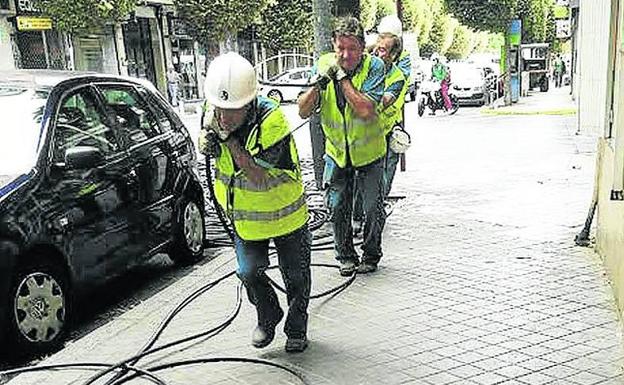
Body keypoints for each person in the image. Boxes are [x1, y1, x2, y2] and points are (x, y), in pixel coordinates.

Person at [198, 52, 312, 353]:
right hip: (246, 218)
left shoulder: (272, 120)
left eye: (232, 111)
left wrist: (227, 140)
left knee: (297, 277)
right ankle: (268, 314)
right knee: (248, 272)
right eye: (219, 109)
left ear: (250, 102)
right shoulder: (213, 110)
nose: (223, 118)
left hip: (287, 215)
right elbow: (214, 144)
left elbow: (258, 175)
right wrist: (207, 141)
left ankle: (296, 328)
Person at [298, 17, 386, 275]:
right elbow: (303, 111)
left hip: (369, 152)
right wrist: (319, 85)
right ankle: (345, 255)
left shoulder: (375, 67)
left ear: (362, 48)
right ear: (334, 46)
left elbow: (365, 109)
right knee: (337, 206)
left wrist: (342, 79)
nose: (345, 55)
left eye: (352, 49)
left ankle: (371, 255)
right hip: (336, 153)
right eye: (340, 49)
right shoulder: (324, 64)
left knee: (371, 208)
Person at [352, 28, 409, 236]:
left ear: (393, 55)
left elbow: (378, 104)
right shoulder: (366, 67)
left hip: (383, 135)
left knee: (379, 183)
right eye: (376, 48)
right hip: (361, 134)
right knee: (358, 180)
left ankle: (373, 219)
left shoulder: (396, 77)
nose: (377, 52)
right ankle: (358, 217)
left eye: (383, 50)